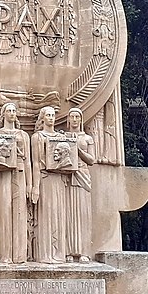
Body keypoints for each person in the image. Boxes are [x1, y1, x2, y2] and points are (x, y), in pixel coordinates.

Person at [0, 103, 32, 263]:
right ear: (3, 114)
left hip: (20, 172)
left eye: (14, 111)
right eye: (9, 111)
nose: (11, 113)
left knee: (20, 212)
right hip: (3, 174)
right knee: (4, 212)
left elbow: (29, 162)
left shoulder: (24, 135)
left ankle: (19, 255)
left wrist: (31, 185)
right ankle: (4, 255)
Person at [31, 106, 67, 263]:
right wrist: (34, 186)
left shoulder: (61, 138)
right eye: (48, 115)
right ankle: (45, 254)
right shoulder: (37, 137)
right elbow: (35, 163)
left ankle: (58, 253)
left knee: (58, 215)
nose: (51, 118)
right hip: (44, 179)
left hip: (58, 179)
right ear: (43, 118)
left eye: (53, 115)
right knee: (45, 215)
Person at [65, 107, 95, 263]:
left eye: (77, 116)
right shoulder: (63, 137)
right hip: (67, 176)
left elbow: (91, 160)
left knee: (82, 214)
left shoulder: (87, 138)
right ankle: (68, 251)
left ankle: (84, 251)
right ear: (68, 120)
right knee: (68, 215)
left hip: (82, 175)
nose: (75, 119)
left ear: (81, 119)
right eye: (72, 116)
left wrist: (78, 150)